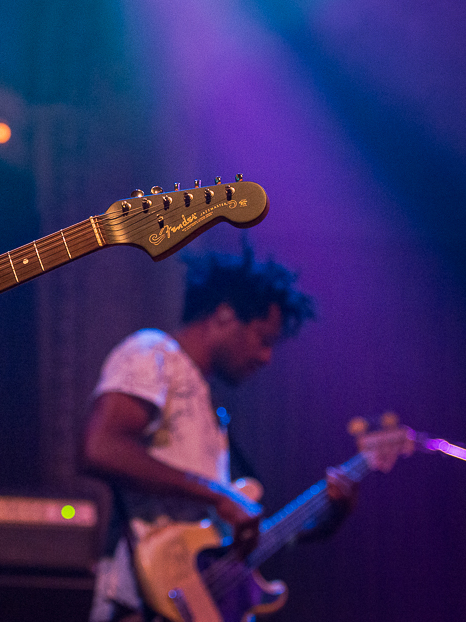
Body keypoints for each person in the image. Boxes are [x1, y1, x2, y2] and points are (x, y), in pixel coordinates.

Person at [79, 248, 353, 622]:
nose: (266, 357)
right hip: (143, 601)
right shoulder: (153, 352)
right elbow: (101, 447)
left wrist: (322, 523)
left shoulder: (210, 410)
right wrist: (218, 495)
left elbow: (222, 543)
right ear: (224, 315)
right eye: (262, 338)